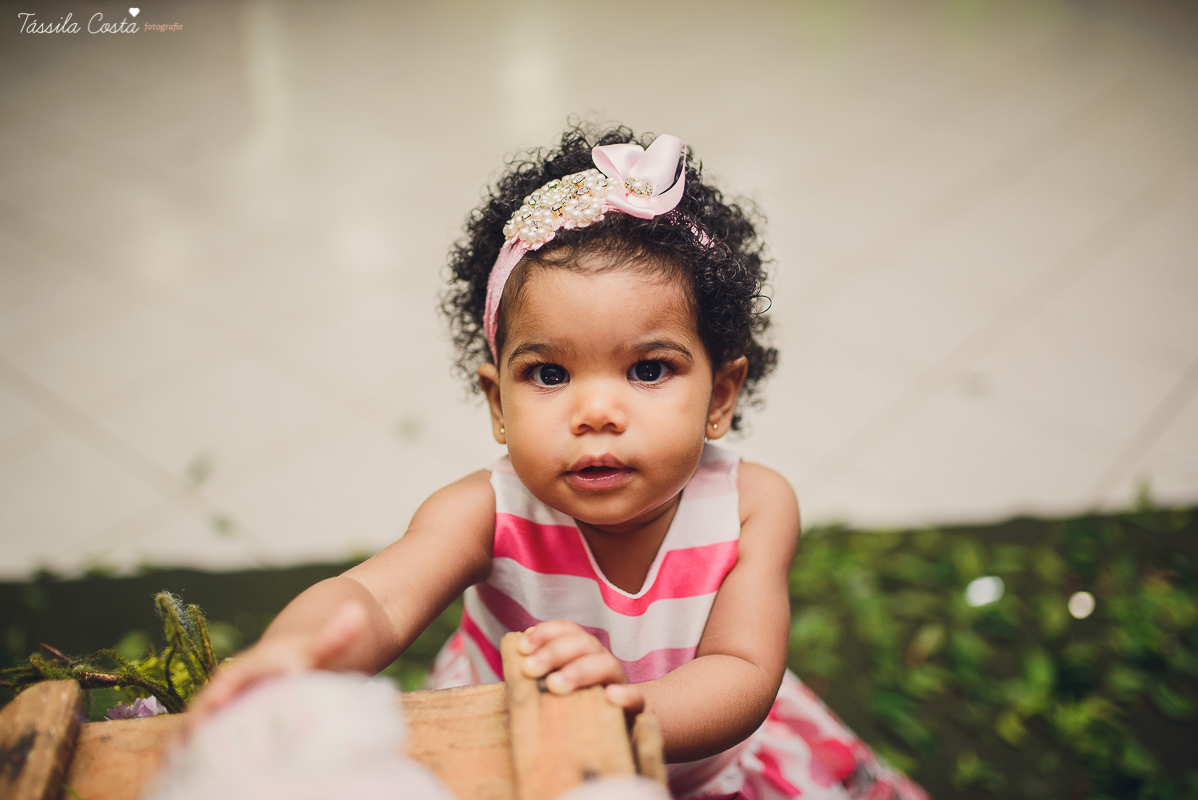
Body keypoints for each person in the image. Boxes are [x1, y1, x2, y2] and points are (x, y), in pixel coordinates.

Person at [193, 125, 927, 800]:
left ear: (721, 395)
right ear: (497, 402)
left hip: (691, 768)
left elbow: (742, 671)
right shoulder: (484, 512)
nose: (596, 412)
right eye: (549, 374)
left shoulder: (752, 506)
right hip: (521, 763)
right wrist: (298, 655)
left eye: (648, 370)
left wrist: (620, 712)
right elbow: (375, 600)